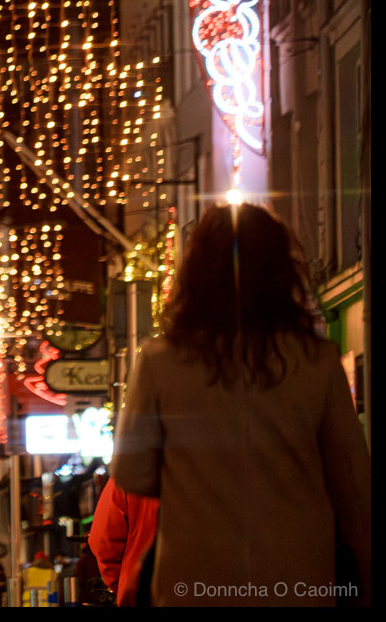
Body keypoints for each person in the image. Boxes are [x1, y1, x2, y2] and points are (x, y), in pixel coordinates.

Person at [111, 203, 371, 607]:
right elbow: (354, 487)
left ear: (194, 274)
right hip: (297, 579)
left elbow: (133, 473)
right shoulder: (316, 361)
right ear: (280, 270)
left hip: (194, 580)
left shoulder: (161, 361)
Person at [87, 477, 159, 606]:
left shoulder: (127, 477)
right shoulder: (203, 471)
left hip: (140, 591)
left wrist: (121, 584)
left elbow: (103, 541)